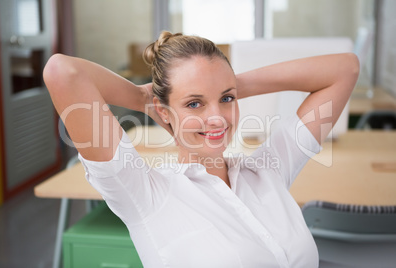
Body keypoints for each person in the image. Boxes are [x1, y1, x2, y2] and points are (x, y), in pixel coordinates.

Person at [43, 31, 359, 267]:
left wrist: (228, 85)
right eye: (194, 103)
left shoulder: (267, 170)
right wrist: (145, 100)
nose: (216, 118)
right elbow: (63, 72)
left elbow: (345, 68)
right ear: (164, 112)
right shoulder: (146, 193)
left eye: (226, 100)